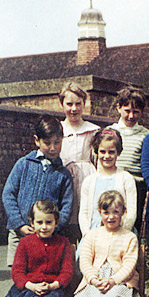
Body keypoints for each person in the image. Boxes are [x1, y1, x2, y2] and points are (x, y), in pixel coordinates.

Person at [70, 190, 141, 297]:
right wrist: (93, 279)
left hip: (121, 282)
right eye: (106, 212)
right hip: (95, 280)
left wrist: (113, 280)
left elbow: (129, 265)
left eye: (116, 212)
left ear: (123, 213)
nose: (111, 217)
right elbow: (85, 260)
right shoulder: (92, 235)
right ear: (100, 213)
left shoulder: (129, 237)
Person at [2, 115, 74, 267]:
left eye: (57, 142)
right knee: (18, 275)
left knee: (42, 273)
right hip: (19, 234)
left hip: (49, 237)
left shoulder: (64, 174)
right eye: (47, 143)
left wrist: (52, 227)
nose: (53, 148)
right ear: (37, 140)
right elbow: (8, 194)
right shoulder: (23, 164)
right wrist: (19, 224)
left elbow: (67, 206)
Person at [58, 82, 100, 243]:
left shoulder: (93, 130)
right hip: (64, 179)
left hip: (86, 179)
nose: (73, 108)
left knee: (86, 219)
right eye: (69, 104)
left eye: (78, 104)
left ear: (84, 104)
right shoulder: (59, 129)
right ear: (62, 104)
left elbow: (97, 159)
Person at [79, 128, 137, 238]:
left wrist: (122, 233)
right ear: (97, 151)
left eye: (111, 152)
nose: (106, 156)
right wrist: (87, 235)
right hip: (93, 234)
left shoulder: (126, 178)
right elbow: (84, 213)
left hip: (120, 234)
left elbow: (131, 212)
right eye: (102, 152)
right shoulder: (89, 181)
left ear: (118, 152)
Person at [109, 87, 149, 234]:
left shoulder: (146, 135)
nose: (131, 116)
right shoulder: (109, 132)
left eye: (136, 112)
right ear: (119, 108)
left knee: (131, 223)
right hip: (113, 183)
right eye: (127, 110)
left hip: (136, 186)